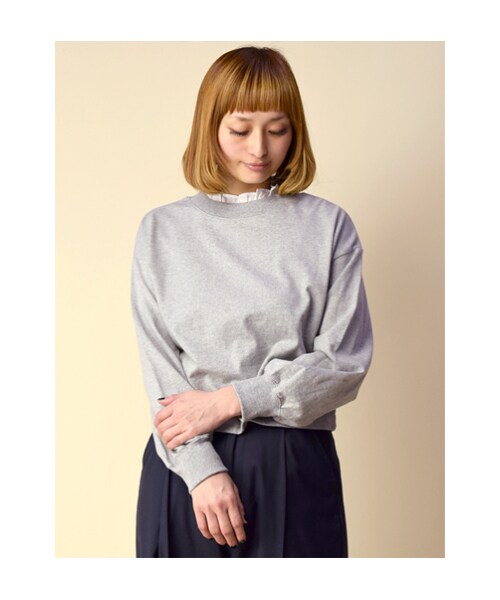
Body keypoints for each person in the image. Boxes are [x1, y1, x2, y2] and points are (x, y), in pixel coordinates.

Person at [130, 45, 373, 558]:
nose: (259, 148)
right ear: (210, 127)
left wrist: (231, 401)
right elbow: (160, 365)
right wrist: (201, 471)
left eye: (278, 129)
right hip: (186, 469)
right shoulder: (161, 231)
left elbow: (343, 365)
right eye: (240, 130)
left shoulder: (328, 227)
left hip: (293, 461)